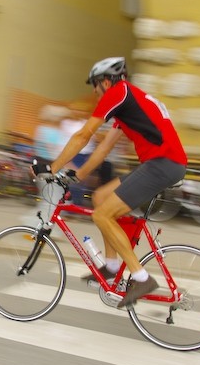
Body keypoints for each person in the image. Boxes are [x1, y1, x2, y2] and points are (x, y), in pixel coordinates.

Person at [32, 57, 188, 308]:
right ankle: (113, 266)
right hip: (162, 164)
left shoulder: (119, 92)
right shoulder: (128, 103)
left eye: (95, 85)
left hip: (162, 164)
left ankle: (142, 277)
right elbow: (102, 149)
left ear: (106, 81)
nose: (94, 91)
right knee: (100, 198)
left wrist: (53, 167)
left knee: (102, 215)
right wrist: (76, 177)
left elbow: (84, 134)